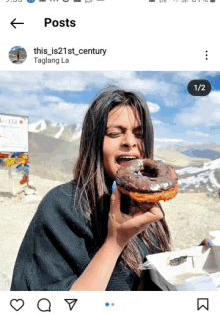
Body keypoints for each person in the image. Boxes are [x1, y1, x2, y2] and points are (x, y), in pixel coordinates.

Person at [11, 87, 171, 291]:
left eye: (139, 134)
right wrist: (115, 243)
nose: (130, 142)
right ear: (94, 141)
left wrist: (198, 260)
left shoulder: (145, 202)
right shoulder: (63, 205)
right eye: (114, 133)